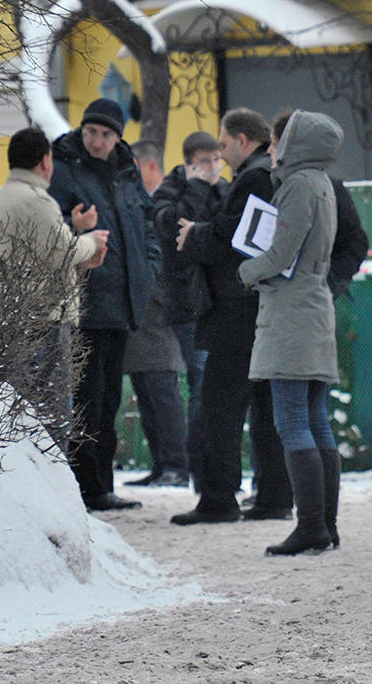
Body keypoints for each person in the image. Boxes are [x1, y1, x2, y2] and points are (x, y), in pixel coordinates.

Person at [170, 109, 292, 525]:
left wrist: (196, 235)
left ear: (242, 141)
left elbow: (237, 236)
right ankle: (273, 496)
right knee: (262, 405)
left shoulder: (255, 176)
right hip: (258, 306)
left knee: (220, 405)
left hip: (236, 309)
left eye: (222, 145)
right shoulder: (269, 175)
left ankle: (218, 498)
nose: (220, 154)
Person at [238, 110, 345, 556]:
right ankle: (325, 525)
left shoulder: (298, 185)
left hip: (291, 315)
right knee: (316, 420)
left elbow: (282, 252)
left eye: (278, 140)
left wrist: (247, 270)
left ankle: (311, 526)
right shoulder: (319, 181)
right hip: (314, 309)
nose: (272, 149)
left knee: (293, 422)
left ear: (295, 143)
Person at [48, 98, 162, 512]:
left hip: (122, 302)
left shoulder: (126, 172)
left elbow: (146, 225)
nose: (97, 141)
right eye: (91, 132)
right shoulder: (62, 170)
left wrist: (149, 269)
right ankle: (86, 488)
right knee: (87, 398)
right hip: (84, 303)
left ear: (118, 138)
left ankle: (101, 485)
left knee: (109, 398)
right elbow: (50, 228)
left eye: (106, 134)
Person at [0, 127, 109, 448]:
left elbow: (33, 250)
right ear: (45, 162)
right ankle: (54, 479)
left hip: (8, 319)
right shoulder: (37, 201)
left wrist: (73, 230)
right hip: (45, 319)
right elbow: (62, 250)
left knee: (18, 407)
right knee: (51, 409)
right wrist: (91, 240)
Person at [150, 131, 227, 487]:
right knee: (201, 384)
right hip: (189, 302)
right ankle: (199, 468)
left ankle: (216, 468)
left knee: (215, 385)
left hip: (221, 300)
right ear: (187, 164)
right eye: (205, 162)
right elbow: (174, 229)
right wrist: (196, 188)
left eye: (217, 160)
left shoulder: (226, 188)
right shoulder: (169, 191)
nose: (213, 168)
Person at [122, 140, 191, 487]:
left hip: (159, 308)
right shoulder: (148, 203)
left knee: (162, 388)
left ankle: (176, 464)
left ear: (149, 167)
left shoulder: (164, 203)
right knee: (147, 387)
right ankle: (164, 464)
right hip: (144, 308)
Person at [270, 109, 369, 300]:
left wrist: (326, 283)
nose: (269, 151)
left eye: (274, 145)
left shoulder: (329, 189)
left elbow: (355, 242)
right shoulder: (265, 185)